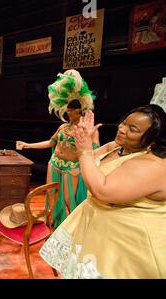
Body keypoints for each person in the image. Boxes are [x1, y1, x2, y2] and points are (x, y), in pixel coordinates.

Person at [40, 105, 166, 278]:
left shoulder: (151, 165)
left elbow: (103, 190)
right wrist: (84, 140)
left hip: (127, 248)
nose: (121, 129)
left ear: (152, 140)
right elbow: (84, 161)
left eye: (132, 129)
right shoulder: (118, 147)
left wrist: (85, 149)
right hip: (97, 232)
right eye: (124, 123)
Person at [16, 69, 99, 227]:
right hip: (54, 163)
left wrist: (87, 137)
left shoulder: (88, 130)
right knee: (51, 193)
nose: (67, 112)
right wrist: (28, 145)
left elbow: (95, 152)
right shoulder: (63, 127)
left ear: (79, 110)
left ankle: (74, 228)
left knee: (69, 199)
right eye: (67, 110)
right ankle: (52, 223)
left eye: (70, 110)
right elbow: (50, 143)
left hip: (71, 167)